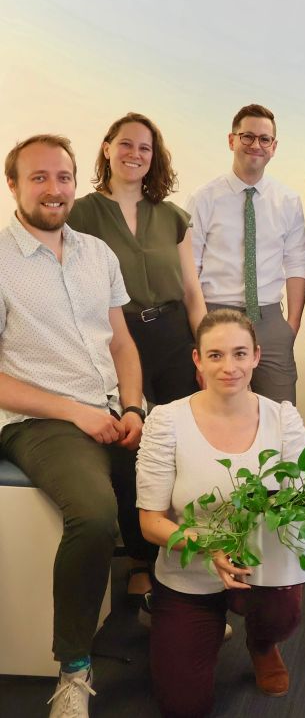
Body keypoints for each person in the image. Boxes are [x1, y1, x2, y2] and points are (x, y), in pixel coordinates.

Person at [1, 135, 156, 717]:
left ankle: (170, 606)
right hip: (41, 419)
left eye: (62, 177)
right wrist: (77, 411)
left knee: (184, 474)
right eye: (38, 177)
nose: (53, 188)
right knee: (93, 516)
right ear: (13, 184)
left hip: (114, 405)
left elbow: (121, 340)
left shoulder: (96, 253)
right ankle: (73, 668)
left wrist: (135, 408)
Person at [136, 308, 305, 716]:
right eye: (215, 355)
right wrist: (210, 545)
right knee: (183, 706)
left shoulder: (282, 418)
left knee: (284, 611)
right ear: (197, 360)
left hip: (260, 568)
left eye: (239, 354)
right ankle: (203, 627)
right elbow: (150, 522)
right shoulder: (166, 422)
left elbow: (302, 501)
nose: (228, 367)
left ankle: (262, 642)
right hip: (189, 569)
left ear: (255, 356)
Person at [69, 113, 206, 407]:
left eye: (144, 148)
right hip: (115, 341)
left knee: (184, 434)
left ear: (153, 156)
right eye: (126, 144)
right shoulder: (77, 215)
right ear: (107, 149)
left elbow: (192, 294)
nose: (135, 154)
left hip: (175, 340)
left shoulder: (173, 216)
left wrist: (208, 353)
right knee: (133, 438)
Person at [188, 104, 305, 404]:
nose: (256, 145)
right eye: (248, 137)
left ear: (274, 147)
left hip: (269, 318)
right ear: (232, 140)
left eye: (264, 139)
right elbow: (190, 269)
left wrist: (290, 326)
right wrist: (202, 333)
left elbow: (296, 263)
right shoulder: (203, 199)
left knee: (281, 413)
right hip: (216, 316)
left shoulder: (288, 201)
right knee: (217, 412)